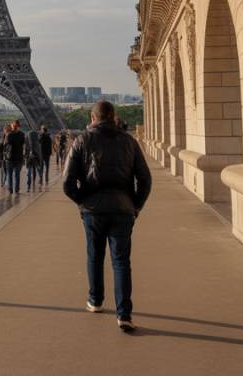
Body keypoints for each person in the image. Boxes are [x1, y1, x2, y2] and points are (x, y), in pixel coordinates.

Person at [63, 100, 151, 333]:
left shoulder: (81, 140)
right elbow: (145, 179)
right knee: (121, 261)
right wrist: (136, 205)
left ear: (93, 118)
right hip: (123, 209)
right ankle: (124, 314)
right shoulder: (129, 141)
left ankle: (96, 300)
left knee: (95, 256)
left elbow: (67, 182)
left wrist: (83, 200)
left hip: (93, 210)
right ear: (114, 117)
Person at [3, 120, 26, 195]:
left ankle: (10, 189)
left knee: (10, 175)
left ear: (12, 126)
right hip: (19, 157)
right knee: (17, 174)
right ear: (18, 126)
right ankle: (16, 189)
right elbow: (23, 144)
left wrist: (5, 155)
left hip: (10, 158)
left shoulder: (9, 135)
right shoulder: (22, 134)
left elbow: (5, 146)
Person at [25, 126, 42, 192]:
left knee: (29, 172)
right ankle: (40, 181)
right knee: (38, 169)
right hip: (36, 156)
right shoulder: (37, 142)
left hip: (29, 157)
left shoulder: (27, 139)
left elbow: (26, 148)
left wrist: (26, 155)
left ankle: (28, 186)